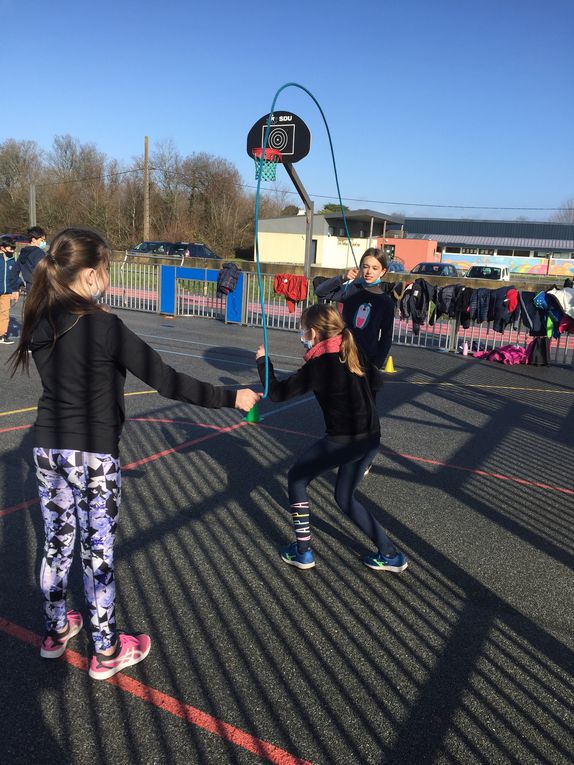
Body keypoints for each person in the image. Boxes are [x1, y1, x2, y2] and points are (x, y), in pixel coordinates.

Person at [10, 228, 260, 680]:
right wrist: (232, 398)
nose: (106, 278)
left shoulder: (41, 319)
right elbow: (168, 380)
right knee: (97, 550)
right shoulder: (105, 327)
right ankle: (105, 651)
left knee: (56, 543)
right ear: (89, 274)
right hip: (94, 455)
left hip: (48, 450)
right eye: (104, 271)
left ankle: (55, 630)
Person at [255, 303, 408, 573]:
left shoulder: (320, 364)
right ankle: (391, 554)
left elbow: (277, 393)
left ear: (313, 332)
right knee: (345, 497)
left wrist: (263, 363)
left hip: (343, 440)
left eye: (304, 330)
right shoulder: (353, 348)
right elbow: (377, 383)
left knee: (297, 478)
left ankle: (303, 552)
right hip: (371, 436)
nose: (302, 334)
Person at [314, 248, 395, 370]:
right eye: (366, 266)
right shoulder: (352, 289)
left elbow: (386, 338)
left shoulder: (386, 302)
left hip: (366, 360)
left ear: (383, 271)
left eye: (375, 268)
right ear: (360, 267)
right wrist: (342, 278)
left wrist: (376, 365)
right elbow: (320, 292)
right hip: (342, 354)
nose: (369, 271)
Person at [0, 236, 21, 344]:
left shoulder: (13, 261)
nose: (13, 250)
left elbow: (15, 277)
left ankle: (2, 335)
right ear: (2, 247)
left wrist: (15, 290)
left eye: (14, 248)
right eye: (10, 248)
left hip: (7, 292)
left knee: (5, 313)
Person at [18, 225, 48, 293]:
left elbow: (14, 271)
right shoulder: (39, 253)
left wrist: (15, 287)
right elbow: (43, 270)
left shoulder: (22, 253)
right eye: (42, 240)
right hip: (40, 287)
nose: (44, 242)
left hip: (29, 287)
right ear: (33, 240)